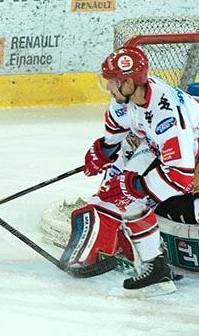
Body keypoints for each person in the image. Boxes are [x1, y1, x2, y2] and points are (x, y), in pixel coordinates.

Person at [59, 46, 198, 295]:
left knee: (133, 194)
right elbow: (117, 129)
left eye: (113, 82)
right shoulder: (130, 99)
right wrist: (102, 151)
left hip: (190, 158)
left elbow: (180, 174)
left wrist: (134, 185)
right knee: (126, 198)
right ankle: (155, 268)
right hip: (164, 151)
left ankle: (156, 268)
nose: (109, 88)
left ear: (129, 82)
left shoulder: (166, 116)